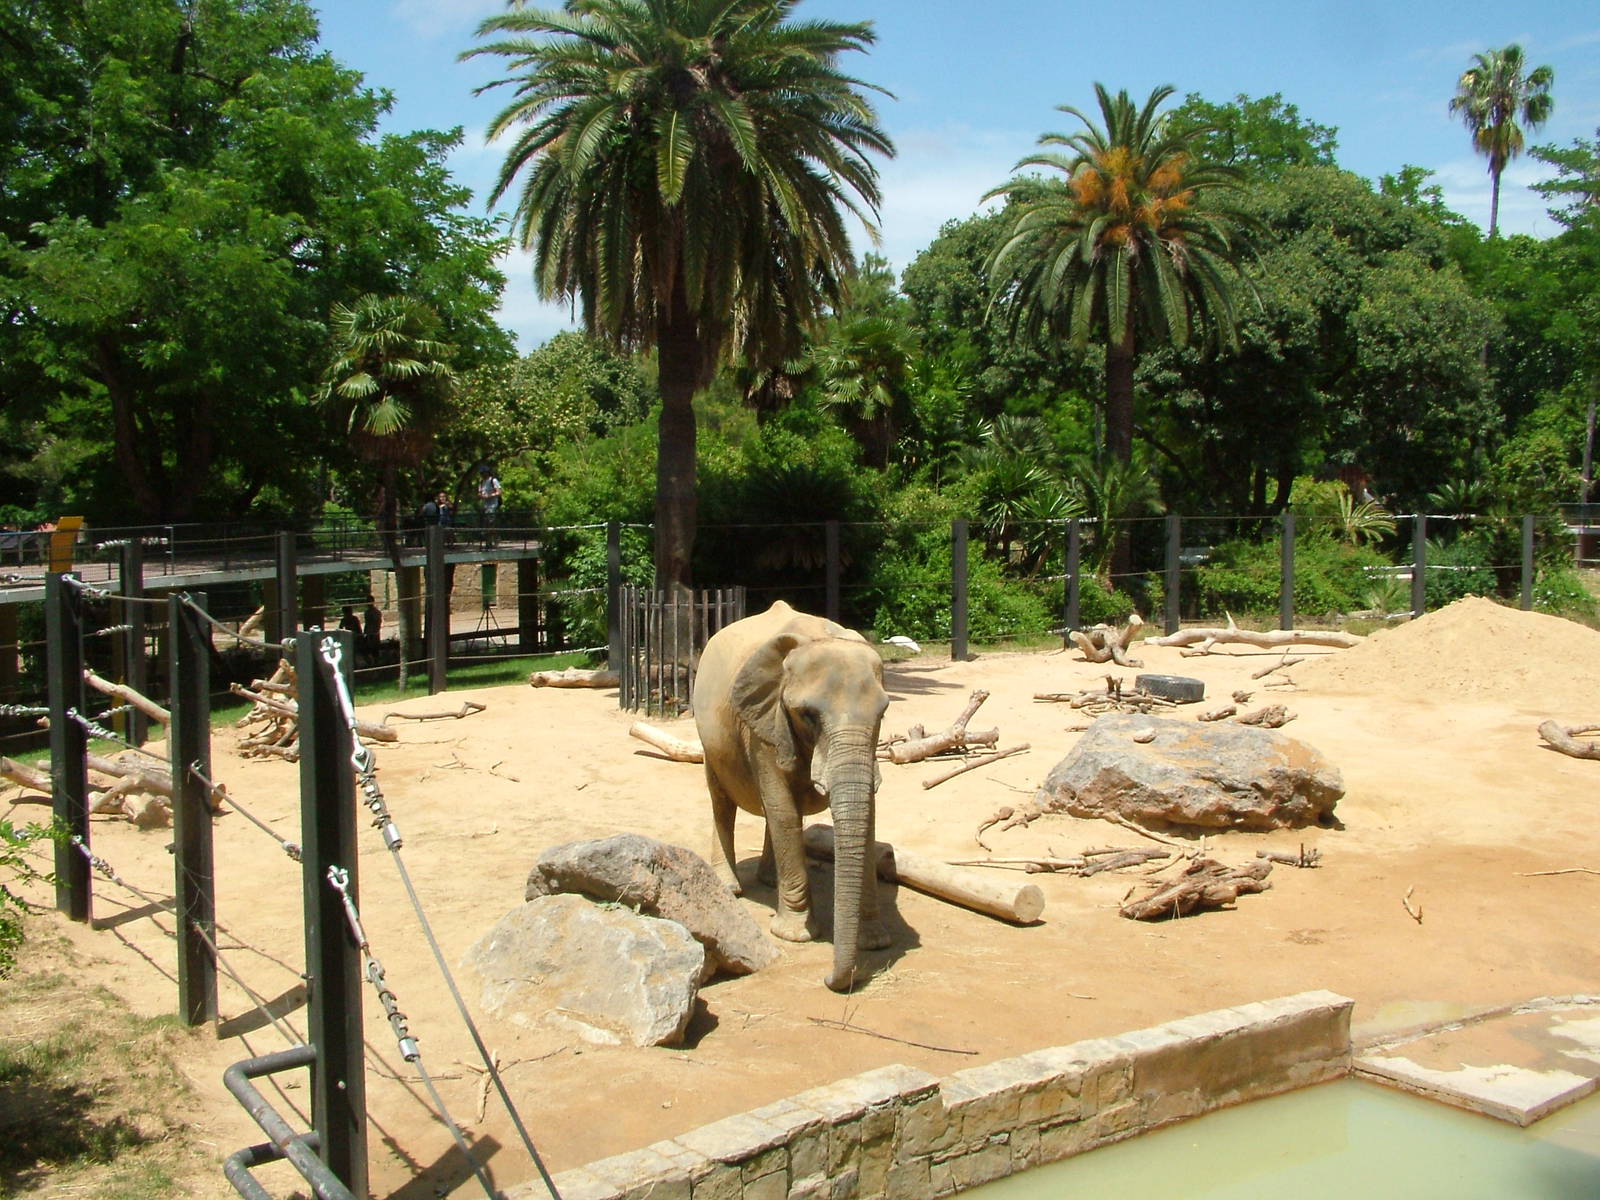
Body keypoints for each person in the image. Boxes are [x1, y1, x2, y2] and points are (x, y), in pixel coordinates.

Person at [477, 466, 502, 545]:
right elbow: (479, 492)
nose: (483, 475)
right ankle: (489, 541)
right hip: (485, 505)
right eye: (481, 473)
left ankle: (494, 538)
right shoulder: (481, 482)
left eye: (484, 473)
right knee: (486, 524)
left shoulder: (493, 480)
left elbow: (499, 492)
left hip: (493, 505)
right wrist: (481, 496)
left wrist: (489, 495)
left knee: (491, 522)